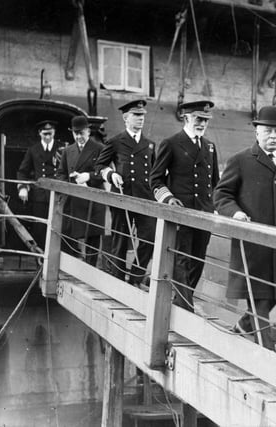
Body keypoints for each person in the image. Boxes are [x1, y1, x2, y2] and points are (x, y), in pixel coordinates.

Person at [213, 105, 276, 350]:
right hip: (254, 245)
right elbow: (221, 195)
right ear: (257, 132)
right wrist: (235, 213)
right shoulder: (241, 160)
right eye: (267, 131)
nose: (273, 136)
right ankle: (266, 354)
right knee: (258, 300)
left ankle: (244, 328)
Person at [149, 100, 220, 312]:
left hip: (204, 213)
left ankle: (183, 301)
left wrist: (215, 206)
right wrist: (169, 200)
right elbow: (156, 179)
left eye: (206, 120)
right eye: (199, 119)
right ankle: (185, 305)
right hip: (181, 213)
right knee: (181, 258)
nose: (202, 124)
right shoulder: (171, 143)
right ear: (186, 117)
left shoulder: (209, 146)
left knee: (198, 259)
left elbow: (215, 182)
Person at [94, 100, 156, 287]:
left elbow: (155, 173)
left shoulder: (150, 144)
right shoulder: (115, 142)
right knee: (120, 241)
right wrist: (111, 174)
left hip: (145, 199)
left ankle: (136, 277)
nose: (140, 119)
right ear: (125, 118)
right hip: (122, 198)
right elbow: (99, 166)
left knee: (150, 238)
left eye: (142, 115)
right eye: (136, 115)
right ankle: (118, 281)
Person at [56, 115, 106, 267]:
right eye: (75, 133)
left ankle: (90, 271)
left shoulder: (100, 149)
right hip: (73, 200)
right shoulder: (67, 151)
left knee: (92, 238)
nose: (79, 136)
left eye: (81, 133)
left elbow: (104, 172)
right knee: (68, 235)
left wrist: (87, 177)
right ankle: (71, 269)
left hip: (93, 200)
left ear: (88, 131)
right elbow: (61, 173)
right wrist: (70, 185)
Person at [17, 120, 65, 249]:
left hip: (58, 195)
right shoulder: (33, 150)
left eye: (50, 133)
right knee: (40, 229)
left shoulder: (62, 149)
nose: (48, 137)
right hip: (40, 197)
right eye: (45, 134)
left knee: (59, 228)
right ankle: (40, 261)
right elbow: (22, 172)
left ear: (54, 132)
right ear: (39, 133)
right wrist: (23, 188)